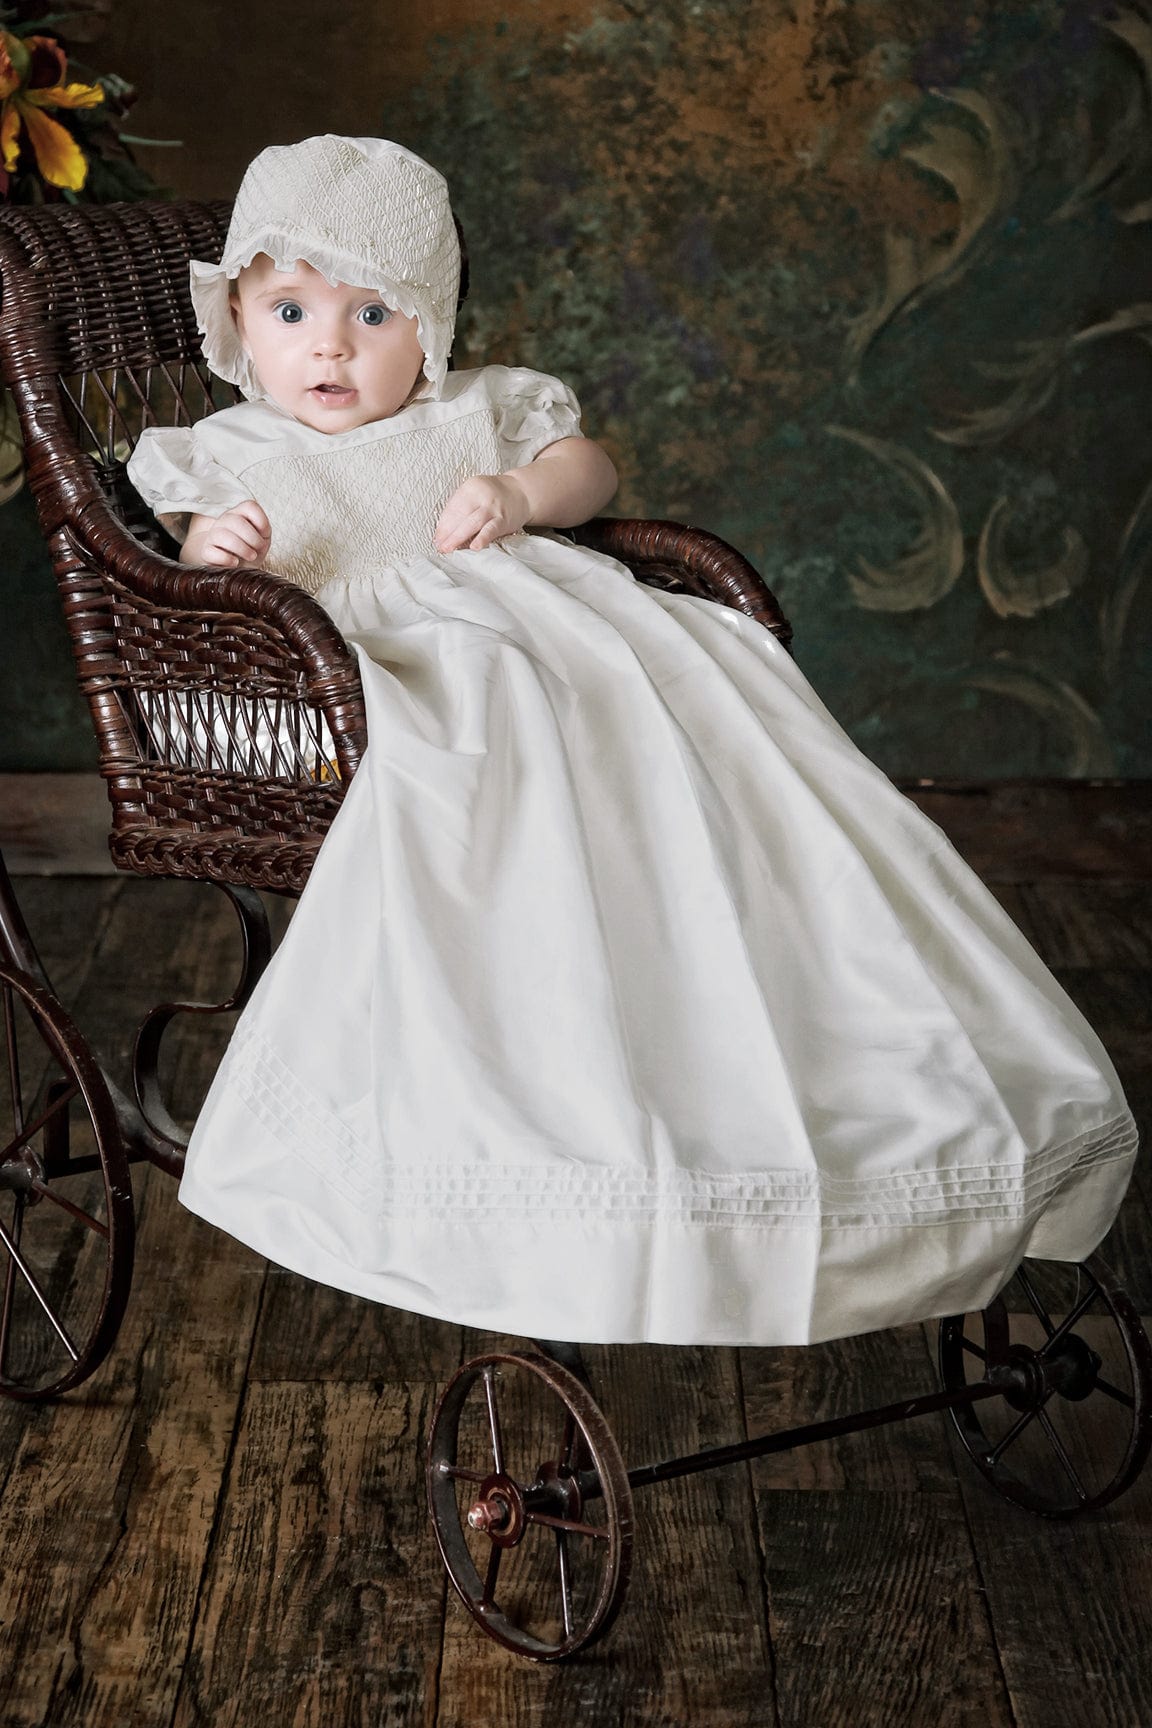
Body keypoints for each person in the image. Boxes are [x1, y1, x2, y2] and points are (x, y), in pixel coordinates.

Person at [128, 135, 1137, 1348]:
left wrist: (517, 498)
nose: (330, 346)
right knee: (492, 693)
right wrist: (215, 551)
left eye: (373, 312)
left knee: (695, 684)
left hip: (539, 627)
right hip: (340, 673)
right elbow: (186, 590)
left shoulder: (473, 411)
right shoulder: (238, 450)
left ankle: (750, 969)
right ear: (242, 317)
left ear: (430, 329)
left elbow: (586, 468)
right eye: (291, 310)